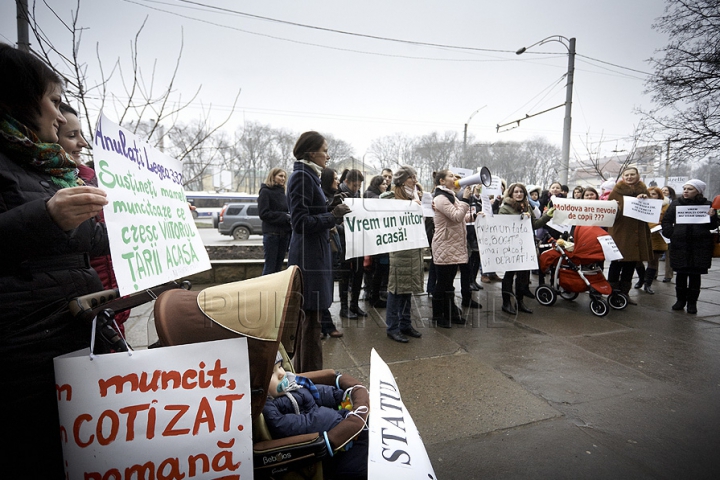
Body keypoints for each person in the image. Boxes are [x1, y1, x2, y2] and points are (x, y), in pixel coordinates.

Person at [0, 43, 109, 478]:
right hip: (22, 354)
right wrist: (45, 216)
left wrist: (136, 225)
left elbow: (74, 239)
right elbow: (44, 226)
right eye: (54, 101)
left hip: (69, 333)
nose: (62, 117)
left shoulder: (43, 164)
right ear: (16, 99)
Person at [58, 104, 130, 334]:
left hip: (113, 301)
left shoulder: (93, 180)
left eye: (81, 134)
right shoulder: (48, 189)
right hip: (80, 308)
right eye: (71, 135)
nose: (83, 143)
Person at [287, 131, 350, 371]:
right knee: (310, 324)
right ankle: (310, 377)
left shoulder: (309, 176)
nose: (328, 155)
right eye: (325, 150)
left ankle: (309, 375)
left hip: (313, 254)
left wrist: (330, 205)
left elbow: (311, 212)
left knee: (311, 323)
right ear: (311, 152)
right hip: (308, 259)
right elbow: (300, 223)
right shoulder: (302, 177)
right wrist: (331, 215)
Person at [263, 353, 368, 479]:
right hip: (321, 446)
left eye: (280, 367)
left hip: (332, 425)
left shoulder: (292, 384)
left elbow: (316, 392)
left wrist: (339, 395)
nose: (281, 373)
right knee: (359, 466)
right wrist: (339, 419)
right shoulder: (268, 407)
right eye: (272, 374)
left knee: (368, 431)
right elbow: (293, 425)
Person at [380, 165, 425, 342]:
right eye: (410, 177)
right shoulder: (389, 196)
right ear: (401, 180)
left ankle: (405, 324)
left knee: (407, 289)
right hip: (400, 250)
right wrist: (409, 206)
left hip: (413, 248)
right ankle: (392, 327)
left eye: (415, 177)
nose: (414, 180)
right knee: (396, 289)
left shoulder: (413, 196)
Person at [661, 179, 718, 314]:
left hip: (700, 246)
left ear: (698, 191)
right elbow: (666, 221)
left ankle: (692, 303)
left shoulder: (707, 205)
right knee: (681, 274)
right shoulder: (676, 204)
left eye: (690, 189)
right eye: (684, 188)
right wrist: (672, 234)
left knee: (695, 275)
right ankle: (680, 301)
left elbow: (713, 226)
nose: (686, 191)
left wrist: (713, 216)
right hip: (680, 244)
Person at [498, 183, 554, 314]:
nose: (518, 194)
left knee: (523, 276)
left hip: (525, 245)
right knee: (509, 275)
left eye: (521, 192)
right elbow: (503, 227)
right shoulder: (505, 208)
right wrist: (521, 219)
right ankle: (506, 303)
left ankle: (520, 302)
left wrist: (547, 216)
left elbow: (534, 225)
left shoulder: (527, 206)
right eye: (516, 192)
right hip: (511, 246)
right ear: (511, 193)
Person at [431, 169, 473, 328]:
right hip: (445, 245)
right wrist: (466, 201)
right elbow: (456, 216)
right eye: (451, 176)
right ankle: (437, 315)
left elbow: (459, 219)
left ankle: (449, 312)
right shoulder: (441, 198)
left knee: (449, 283)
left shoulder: (451, 196)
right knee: (442, 283)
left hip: (452, 245)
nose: (454, 178)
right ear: (442, 181)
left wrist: (474, 216)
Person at [607, 166, 653, 304]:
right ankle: (613, 293)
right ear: (623, 176)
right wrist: (615, 207)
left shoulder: (644, 191)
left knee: (631, 264)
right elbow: (609, 215)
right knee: (616, 263)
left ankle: (624, 294)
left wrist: (645, 200)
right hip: (621, 232)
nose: (629, 177)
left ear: (638, 175)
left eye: (632, 174)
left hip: (638, 233)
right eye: (626, 175)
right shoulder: (616, 191)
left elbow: (651, 210)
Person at [337, 169, 366, 319]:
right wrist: (344, 227)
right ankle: (344, 307)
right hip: (343, 242)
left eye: (359, 186)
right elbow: (333, 221)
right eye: (354, 186)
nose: (356, 189)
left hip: (357, 240)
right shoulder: (338, 195)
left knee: (358, 272)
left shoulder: (357, 195)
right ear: (346, 182)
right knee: (345, 275)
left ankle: (354, 304)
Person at [320, 167, 345, 338]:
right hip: (324, 244)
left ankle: (322, 325)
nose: (337, 181)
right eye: (335, 178)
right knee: (322, 287)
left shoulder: (334, 195)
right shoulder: (321, 196)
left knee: (327, 286)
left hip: (333, 245)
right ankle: (325, 325)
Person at [258, 168, 292, 275]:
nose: (283, 179)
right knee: (270, 267)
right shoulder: (265, 192)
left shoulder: (283, 193)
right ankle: (264, 290)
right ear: (273, 177)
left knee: (278, 267)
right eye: (280, 176)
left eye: (284, 177)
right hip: (272, 234)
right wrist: (284, 216)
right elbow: (264, 213)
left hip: (284, 234)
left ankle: (275, 290)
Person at [638, 186, 670, 294]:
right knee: (638, 261)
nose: (651, 196)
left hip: (657, 237)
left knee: (653, 261)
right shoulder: (641, 204)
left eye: (654, 194)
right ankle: (642, 278)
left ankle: (648, 284)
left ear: (659, 196)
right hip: (643, 235)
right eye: (649, 193)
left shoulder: (665, 207)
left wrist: (661, 225)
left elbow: (668, 221)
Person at [660, 186, 677, 283]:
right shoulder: (655, 202)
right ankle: (652, 274)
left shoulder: (674, 203)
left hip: (667, 230)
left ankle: (668, 275)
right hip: (656, 230)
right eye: (662, 191)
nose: (664, 192)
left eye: (665, 190)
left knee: (668, 254)